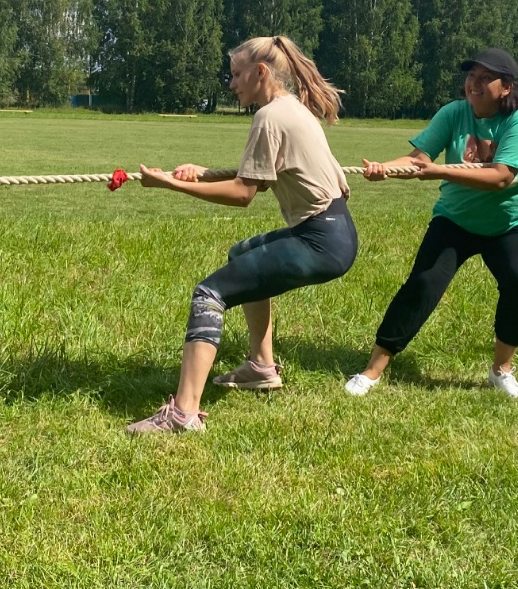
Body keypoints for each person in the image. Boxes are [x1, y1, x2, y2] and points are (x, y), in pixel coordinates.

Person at [126, 36, 358, 433]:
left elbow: (244, 194)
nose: (231, 83)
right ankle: (261, 367)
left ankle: (183, 415)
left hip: (320, 240)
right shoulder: (290, 109)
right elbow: (260, 178)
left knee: (209, 294)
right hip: (335, 233)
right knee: (242, 255)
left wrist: (172, 186)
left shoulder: (270, 117)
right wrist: (201, 172)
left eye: (236, 75)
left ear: (261, 72)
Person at [345, 47, 518, 399]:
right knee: (422, 285)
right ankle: (373, 369)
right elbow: (418, 159)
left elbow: (500, 177)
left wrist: (439, 171)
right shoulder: (453, 113)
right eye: (471, 77)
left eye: (484, 79)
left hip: (509, 221)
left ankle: (501, 370)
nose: (474, 85)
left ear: (506, 86)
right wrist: (386, 168)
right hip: (455, 219)